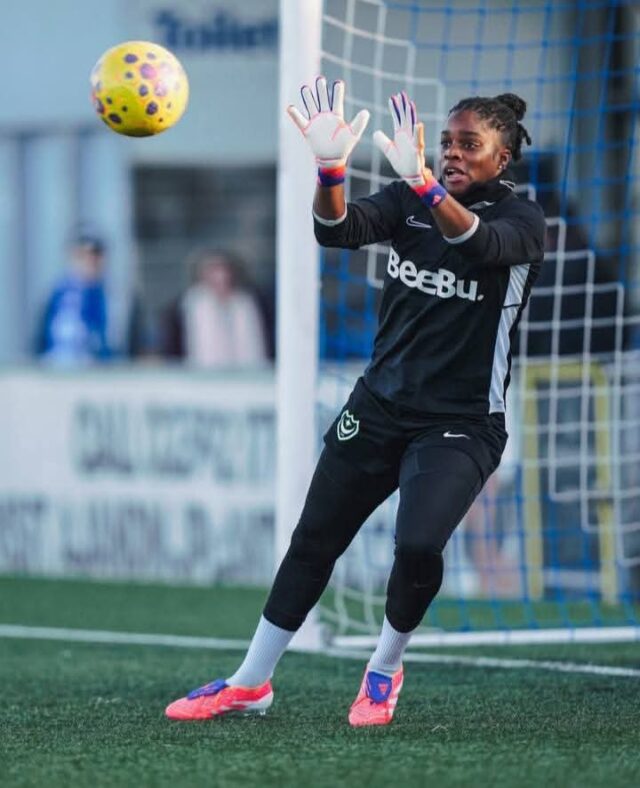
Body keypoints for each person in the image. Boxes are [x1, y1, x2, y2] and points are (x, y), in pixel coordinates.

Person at [165, 78, 546, 726]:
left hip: (461, 423)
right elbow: (334, 229)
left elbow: (477, 245)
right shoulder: (408, 199)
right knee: (315, 539)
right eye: (446, 141)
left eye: (468, 144)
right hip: (379, 405)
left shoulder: (522, 222)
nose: (451, 152)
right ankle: (250, 680)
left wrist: (426, 184)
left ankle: (384, 668)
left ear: (500, 159)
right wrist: (330, 167)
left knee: (419, 545)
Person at [162, 249, 268, 367]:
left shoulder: (249, 304)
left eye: (225, 270)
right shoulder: (185, 307)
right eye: (213, 271)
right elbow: (174, 352)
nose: (221, 276)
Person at [36, 233, 111, 365]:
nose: (89, 263)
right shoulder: (60, 291)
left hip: (90, 365)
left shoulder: (101, 294)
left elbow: (104, 339)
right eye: (84, 257)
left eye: (94, 259)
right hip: (56, 362)